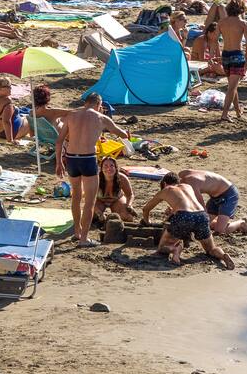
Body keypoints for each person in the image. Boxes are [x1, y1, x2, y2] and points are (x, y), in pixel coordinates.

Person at [55, 94, 130, 246]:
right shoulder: (100, 117)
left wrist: (58, 162)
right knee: (89, 202)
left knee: (76, 197)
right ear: (99, 103)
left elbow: (59, 141)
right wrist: (125, 132)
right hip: (87, 159)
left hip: (71, 158)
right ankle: (84, 239)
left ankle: (77, 232)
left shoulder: (71, 114)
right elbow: (122, 134)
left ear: (86, 102)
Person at [140, 173, 235, 269]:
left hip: (184, 216)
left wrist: (147, 221)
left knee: (162, 248)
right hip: (202, 215)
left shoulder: (166, 190)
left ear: (164, 183)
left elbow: (146, 209)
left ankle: (175, 249)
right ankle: (223, 255)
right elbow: (186, 204)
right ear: (178, 181)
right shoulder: (187, 186)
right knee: (211, 248)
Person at [215, 0, 247, 121]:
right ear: (241, 9)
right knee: (232, 87)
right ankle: (225, 114)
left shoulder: (221, 22)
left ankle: (238, 111)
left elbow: (215, 39)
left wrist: (215, 53)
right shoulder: (243, 23)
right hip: (237, 55)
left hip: (225, 54)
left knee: (233, 85)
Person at [178, 169, 247, 235]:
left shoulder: (191, 184)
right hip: (215, 197)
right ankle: (220, 221)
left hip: (229, 194)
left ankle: (240, 223)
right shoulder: (182, 174)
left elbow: (202, 208)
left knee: (219, 231)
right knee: (202, 225)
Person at [0, 76, 33, 140]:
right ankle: (33, 137)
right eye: (8, 87)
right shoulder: (7, 101)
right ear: (0, 89)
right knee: (31, 120)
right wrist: (10, 140)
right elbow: (6, 122)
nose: (11, 88)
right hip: (7, 134)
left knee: (23, 118)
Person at [95, 156, 136, 223]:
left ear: (116, 168)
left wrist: (129, 205)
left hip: (116, 200)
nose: (109, 168)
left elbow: (130, 195)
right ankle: (103, 215)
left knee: (127, 217)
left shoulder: (122, 178)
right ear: (101, 168)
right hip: (99, 201)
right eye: (105, 166)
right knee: (93, 216)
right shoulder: (96, 179)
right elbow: (89, 199)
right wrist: (98, 212)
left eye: (112, 166)